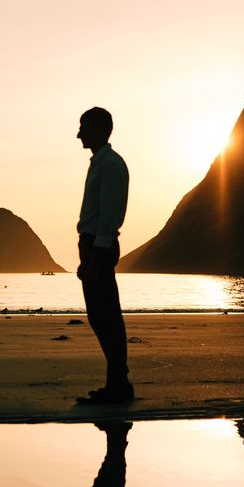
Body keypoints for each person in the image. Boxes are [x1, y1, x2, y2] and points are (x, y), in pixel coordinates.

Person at [75, 108, 134, 403]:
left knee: (105, 315)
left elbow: (109, 215)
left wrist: (95, 257)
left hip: (99, 244)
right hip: (95, 244)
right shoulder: (102, 163)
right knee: (101, 315)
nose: (79, 134)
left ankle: (118, 384)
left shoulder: (109, 165)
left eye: (84, 128)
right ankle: (117, 381)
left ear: (100, 129)